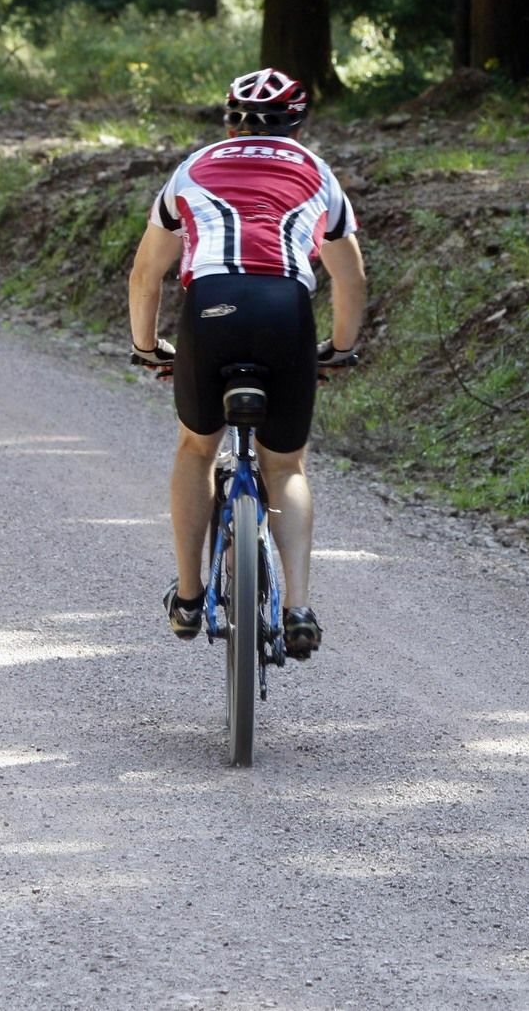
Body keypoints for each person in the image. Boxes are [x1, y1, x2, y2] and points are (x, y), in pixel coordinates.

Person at [126, 68, 367, 659]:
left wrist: (147, 345)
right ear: (299, 120)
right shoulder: (317, 173)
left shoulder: (193, 169)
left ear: (228, 118)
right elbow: (350, 277)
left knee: (196, 449)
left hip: (211, 308)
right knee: (285, 465)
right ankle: (299, 607)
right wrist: (337, 348)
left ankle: (187, 597)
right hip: (286, 312)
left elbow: (146, 274)